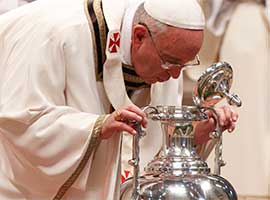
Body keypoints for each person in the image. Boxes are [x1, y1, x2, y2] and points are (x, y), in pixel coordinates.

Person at [0, 0, 238, 199]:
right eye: (171, 62)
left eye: (184, 65)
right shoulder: (55, 32)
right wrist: (97, 127)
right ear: (139, 36)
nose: (175, 74)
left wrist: (194, 136)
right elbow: (20, 123)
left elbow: (148, 157)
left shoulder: (165, 53)